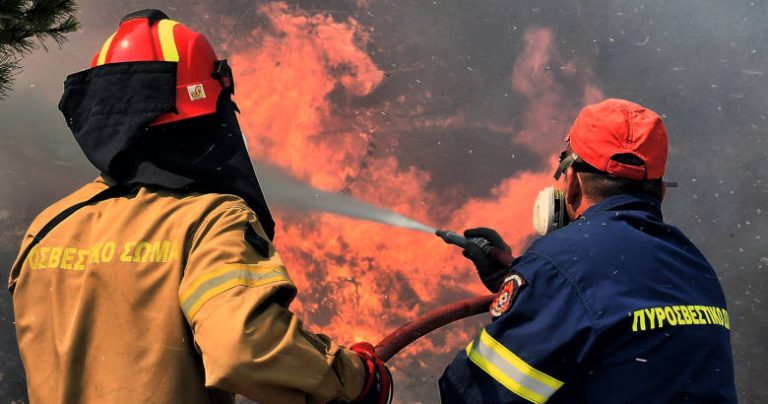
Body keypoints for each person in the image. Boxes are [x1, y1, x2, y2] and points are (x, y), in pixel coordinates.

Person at [8, 9, 391, 404]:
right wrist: (353, 376)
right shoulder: (209, 221)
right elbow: (245, 347)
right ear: (208, 114)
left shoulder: (49, 226)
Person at [439, 98, 736, 403]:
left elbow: (474, 396)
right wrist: (526, 286)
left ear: (572, 184)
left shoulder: (562, 262)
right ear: (660, 191)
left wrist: (540, 282)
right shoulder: (695, 265)